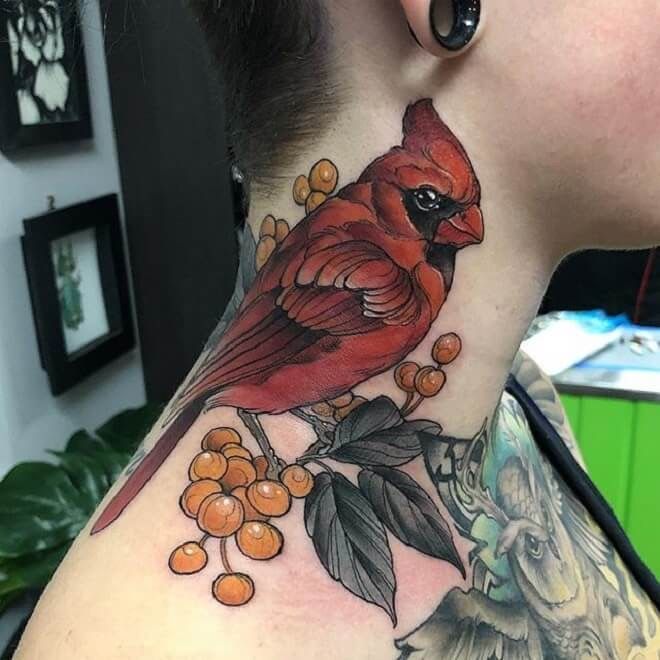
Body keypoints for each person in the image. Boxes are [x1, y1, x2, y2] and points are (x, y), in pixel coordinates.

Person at [15, 1, 660, 658]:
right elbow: (265, 351)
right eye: (435, 206)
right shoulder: (142, 645)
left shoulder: (520, 395)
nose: (462, 225)